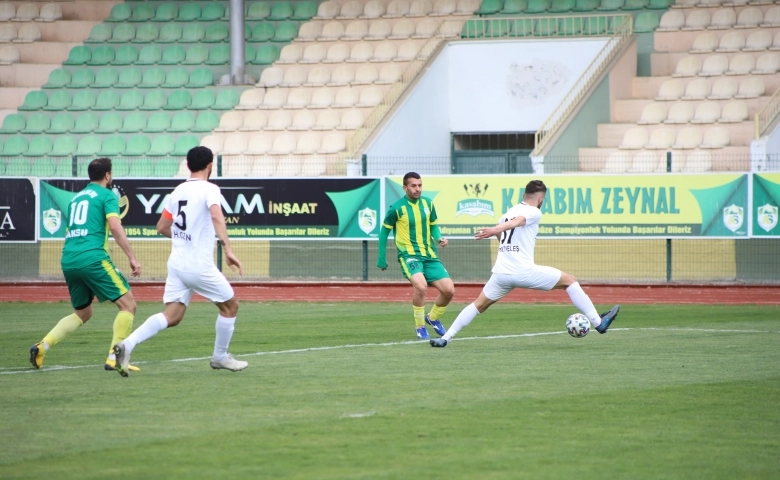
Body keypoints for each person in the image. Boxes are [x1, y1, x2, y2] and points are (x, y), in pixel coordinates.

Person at [430, 179, 619, 348]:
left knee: (477, 305)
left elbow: (504, 237)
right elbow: (519, 222)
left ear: (523, 195)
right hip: (522, 271)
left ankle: (445, 338)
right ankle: (598, 322)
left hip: (501, 274)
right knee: (570, 281)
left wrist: (496, 230)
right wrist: (496, 230)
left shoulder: (507, 213)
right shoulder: (534, 212)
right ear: (541, 198)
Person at [112, 146, 246, 376]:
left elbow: (161, 226)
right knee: (231, 306)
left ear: (188, 165)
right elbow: (216, 215)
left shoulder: (178, 191)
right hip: (197, 265)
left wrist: (185, 237)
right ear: (210, 165)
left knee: (172, 316)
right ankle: (220, 357)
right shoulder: (210, 189)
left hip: (177, 264)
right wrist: (228, 248)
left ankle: (127, 344)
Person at [30, 158, 142, 371]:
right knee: (128, 305)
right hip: (92, 258)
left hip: (69, 259)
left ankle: (42, 347)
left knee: (83, 313)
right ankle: (115, 358)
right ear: (108, 175)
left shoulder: (76, 198)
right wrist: (132, 258)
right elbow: (116, 227)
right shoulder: (107, 195)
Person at [377, 172, 455, 339]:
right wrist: (381, 258)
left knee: (449, 290)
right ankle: (420, 326)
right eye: (413, 186)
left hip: (429, 255)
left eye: (419, 185)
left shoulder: (428, 204)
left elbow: (433, 226)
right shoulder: (397, 208)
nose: (417, 189)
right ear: (405, 188)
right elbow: (384, 232)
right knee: (421, 286)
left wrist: (439, 237)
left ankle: (432, 318)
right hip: (409, 256)